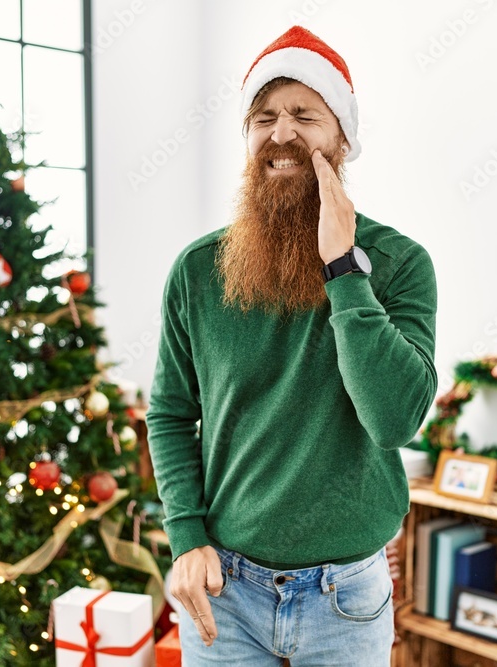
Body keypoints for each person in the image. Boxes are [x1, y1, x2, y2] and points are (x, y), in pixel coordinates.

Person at [145, 25, 438, 666]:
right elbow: (169, 415)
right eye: (263, 117)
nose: (281, 133)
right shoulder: (197, 271)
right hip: (225, 594)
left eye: (305, 114)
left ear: (342, 139)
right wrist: (185, 536)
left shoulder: (399, 265)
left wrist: (343, 269)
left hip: (346, 601)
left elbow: (394, 421)